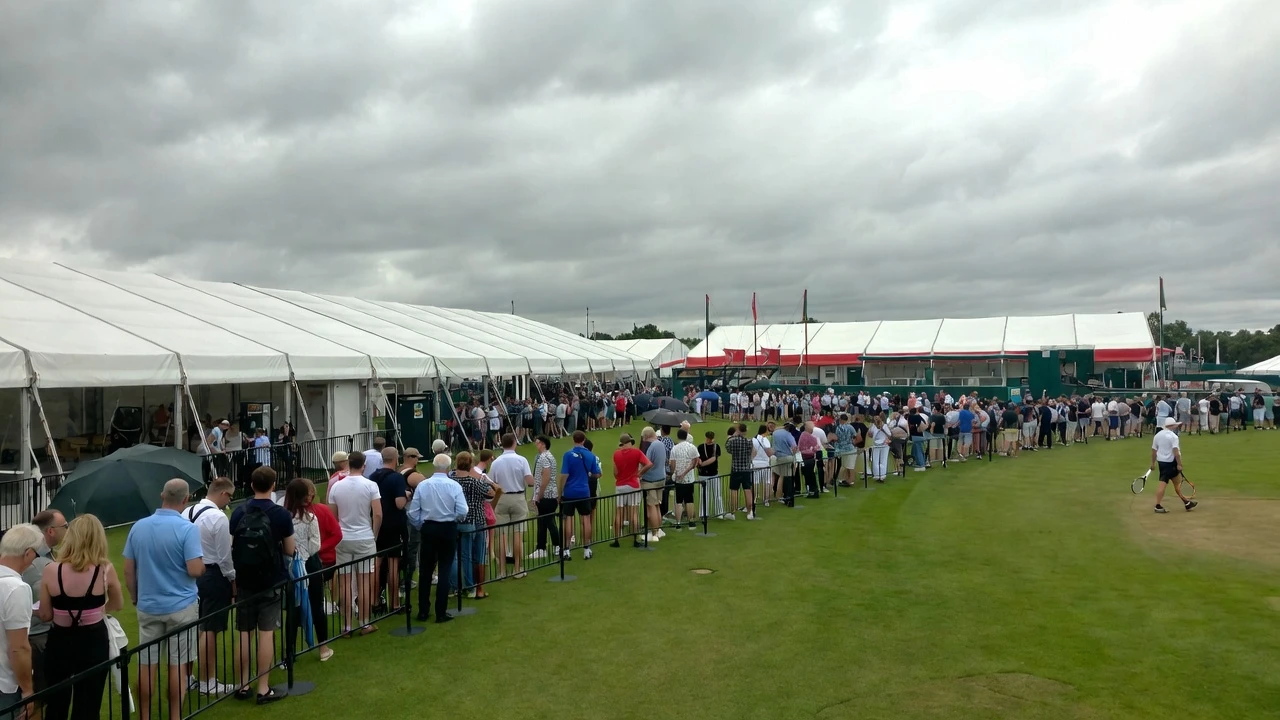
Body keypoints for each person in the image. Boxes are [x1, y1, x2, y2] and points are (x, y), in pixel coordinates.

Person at [123, 479, 204, 720]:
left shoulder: (139, 526)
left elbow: (129, 569)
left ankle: (145, 716)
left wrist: (135, 596)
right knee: (177, 666)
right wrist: (203, 568)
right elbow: (194, 569)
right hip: (181, 606)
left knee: (146, 665)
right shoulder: (187, 529)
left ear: (162, 495)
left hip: (149, 605)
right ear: (186, 499)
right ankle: (175, 715)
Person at [36, 514, 122, 720]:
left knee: (56, 701)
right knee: (89, 702)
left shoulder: (51, 570)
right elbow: (118, 604)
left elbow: (46, 614)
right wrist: (98, 611)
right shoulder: (104, 569)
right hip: (93, 641)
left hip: (60, 642)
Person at [229, 466, 293, 704]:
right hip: (271, 578)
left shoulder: (238, 512)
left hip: (245, 577)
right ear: (273, 485)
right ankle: (263, 687)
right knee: (266, 633)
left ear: (252, 485)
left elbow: (233, 545)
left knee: (244, 632)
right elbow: (289, 549)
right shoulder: (281, 514)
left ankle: (242, 684)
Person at [182, 477, 236, 696]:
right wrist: (233, 579)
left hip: (190, 573)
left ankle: (188, 676)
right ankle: (208, 681)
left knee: (194, 626)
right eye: (230, 496)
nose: (229, 501)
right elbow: (225, 557)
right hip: (213, 574)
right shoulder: (219, 518)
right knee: (210, 628)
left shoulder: (187, 512)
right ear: (223, 494)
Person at [407, 454, 468, 623]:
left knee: (426, 571)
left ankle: (423, 611)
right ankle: (440, 611)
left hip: (429, 527)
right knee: (445, 568)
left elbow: (413, 512)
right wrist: (454, 518)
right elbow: (463, 510)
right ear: (448, 467)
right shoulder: (453, 486)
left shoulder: (423, 485)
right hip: (447, 527)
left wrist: (421, 525)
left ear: (434, 466)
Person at [327, 451, 382, 637]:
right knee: (364, 581)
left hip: (344, 538)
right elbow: (378, 514)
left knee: (344, 582)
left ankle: (347, 626)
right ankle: (364, 623)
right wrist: (373, 534)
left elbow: (333, 515)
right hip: (364, 537)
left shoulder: (336, 486)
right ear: (363, 465)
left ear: (348, 464)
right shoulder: (371, 485)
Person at [282, 478, 333, 663]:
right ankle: (323, 648)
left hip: (292, 565)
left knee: (294, 608)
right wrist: (303, 556)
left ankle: (290, 653)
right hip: (308, 564)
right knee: (316, 604)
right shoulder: (310, 518)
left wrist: (296, 557)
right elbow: (316, 543)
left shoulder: (284, 516)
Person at [23, 510, 67, 696]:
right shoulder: (35, 562)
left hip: (41, 633)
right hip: (37, 636)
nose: (67, 530)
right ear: (50, 531)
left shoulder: (46, 556)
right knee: (41, 696)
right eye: (64, 526)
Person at [0, 524, 42, 716]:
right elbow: (18, 648)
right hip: (5, 685)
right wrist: (27, 689)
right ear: (28, 553)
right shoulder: (16, 588)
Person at [449, 453, 498, 599]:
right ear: (470, 464)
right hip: (474, 521)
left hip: (454, 521)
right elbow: (491, 493)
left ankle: (454, 587)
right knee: (470, 556)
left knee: (454, 556)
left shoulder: (451, 480)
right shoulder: (475, 482)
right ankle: (471, 587)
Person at [488, 434, 532, 578]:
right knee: (517, 534)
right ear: (514, 443)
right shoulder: (522, 460)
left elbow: (491, 483)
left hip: (501, 498)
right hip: (518, 497)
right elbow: (530, 481)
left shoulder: (496, 462)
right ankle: (517, 569)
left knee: (501, 535)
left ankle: (501, 571)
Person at [369, 447, 408, 613]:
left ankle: (375, 601)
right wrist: (407, 496)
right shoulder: (397, 478)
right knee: (393, 564)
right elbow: (399, 503)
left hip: (376, 524)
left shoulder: (373, 477)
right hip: (393, 524)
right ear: (396, 458)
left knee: (377, 564)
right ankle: (395, 603)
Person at [559, 432, 600, 557]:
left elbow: (564, 475)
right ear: (584, 440)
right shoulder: (590, 455)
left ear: (573, 440)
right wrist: (588, 474)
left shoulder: (568, 455)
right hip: (584, 491)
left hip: (570, 492)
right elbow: (597, 474)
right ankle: (586, 549)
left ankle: (566, 550)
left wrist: (560, 492)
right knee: (586, 519)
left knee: (569, 520)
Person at [1150, 418, 1197, 514]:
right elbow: (1176, 453)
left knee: (1177, 483)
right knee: (1163, 484)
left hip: (1162, 463)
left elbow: (1154, 451)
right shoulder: (1173, 437)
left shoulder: (1157, 435)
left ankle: (1186, 502)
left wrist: (1153, 463)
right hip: (1171, 463)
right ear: (1173, 426)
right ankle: (1158, 506)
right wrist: (1179, 464)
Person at [612, 433, 652, 546]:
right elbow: (649, 464)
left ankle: (616, 540)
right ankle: (635, 539)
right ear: (629, 442)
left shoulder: (616, 454)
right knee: (633, 513)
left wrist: (621, 477)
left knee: (619, 512)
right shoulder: (636, 452)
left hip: (620, 485)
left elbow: (615, 473)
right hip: (633, 485)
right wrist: (639, 473)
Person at [528, 437, 559, 560]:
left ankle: (549, 547)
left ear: (543, 444)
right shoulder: (550, 456)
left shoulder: (543, 458)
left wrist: (538, 495)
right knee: (546, 521)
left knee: (547, 521)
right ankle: (543, 547)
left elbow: (545, 477)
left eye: (538, 443)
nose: (536, 445)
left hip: (546, 495)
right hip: (551, 494)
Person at [638, 427, 668, 543]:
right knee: (656, 506)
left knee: (651, 507)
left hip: (650, 480)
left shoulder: (652, 446)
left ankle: (654, 533)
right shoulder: (660, 444)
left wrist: (639, 474)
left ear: (646, 436)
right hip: (661, 478)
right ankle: (658, 530)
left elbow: (648, 463)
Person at [670, 429, 700, 529]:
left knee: (678, 501)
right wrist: (690, 468)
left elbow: (672, 463)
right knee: (689, 500)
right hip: (689, 478)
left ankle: (678, 523)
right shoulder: (692, 447)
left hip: (678, 478)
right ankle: (691, 521)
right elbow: (696, 461)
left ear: (678, 437)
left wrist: (674, 472)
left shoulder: (674, 448)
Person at [698, 430, 725, 518]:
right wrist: (701, 464)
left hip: (707, 473)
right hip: (711, 473)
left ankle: (706, 513)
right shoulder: (714, 447)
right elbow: (713, 459)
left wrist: (701, 464)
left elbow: (710, 459)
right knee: (714, 494)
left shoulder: (705, 447)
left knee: (708, 494)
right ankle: (715, 512)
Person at [866, 415, 892, 483]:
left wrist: (883, 430)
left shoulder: (885, 426)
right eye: (875, 419)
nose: (876, 420)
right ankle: (877, 475)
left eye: (877, 419)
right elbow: (870, 435)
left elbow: (889, 435)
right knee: (875, 460)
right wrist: (869, 433)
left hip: (884, 445)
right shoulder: (873, 426)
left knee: (883, 460)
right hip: (875, 445)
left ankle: (882, 475)